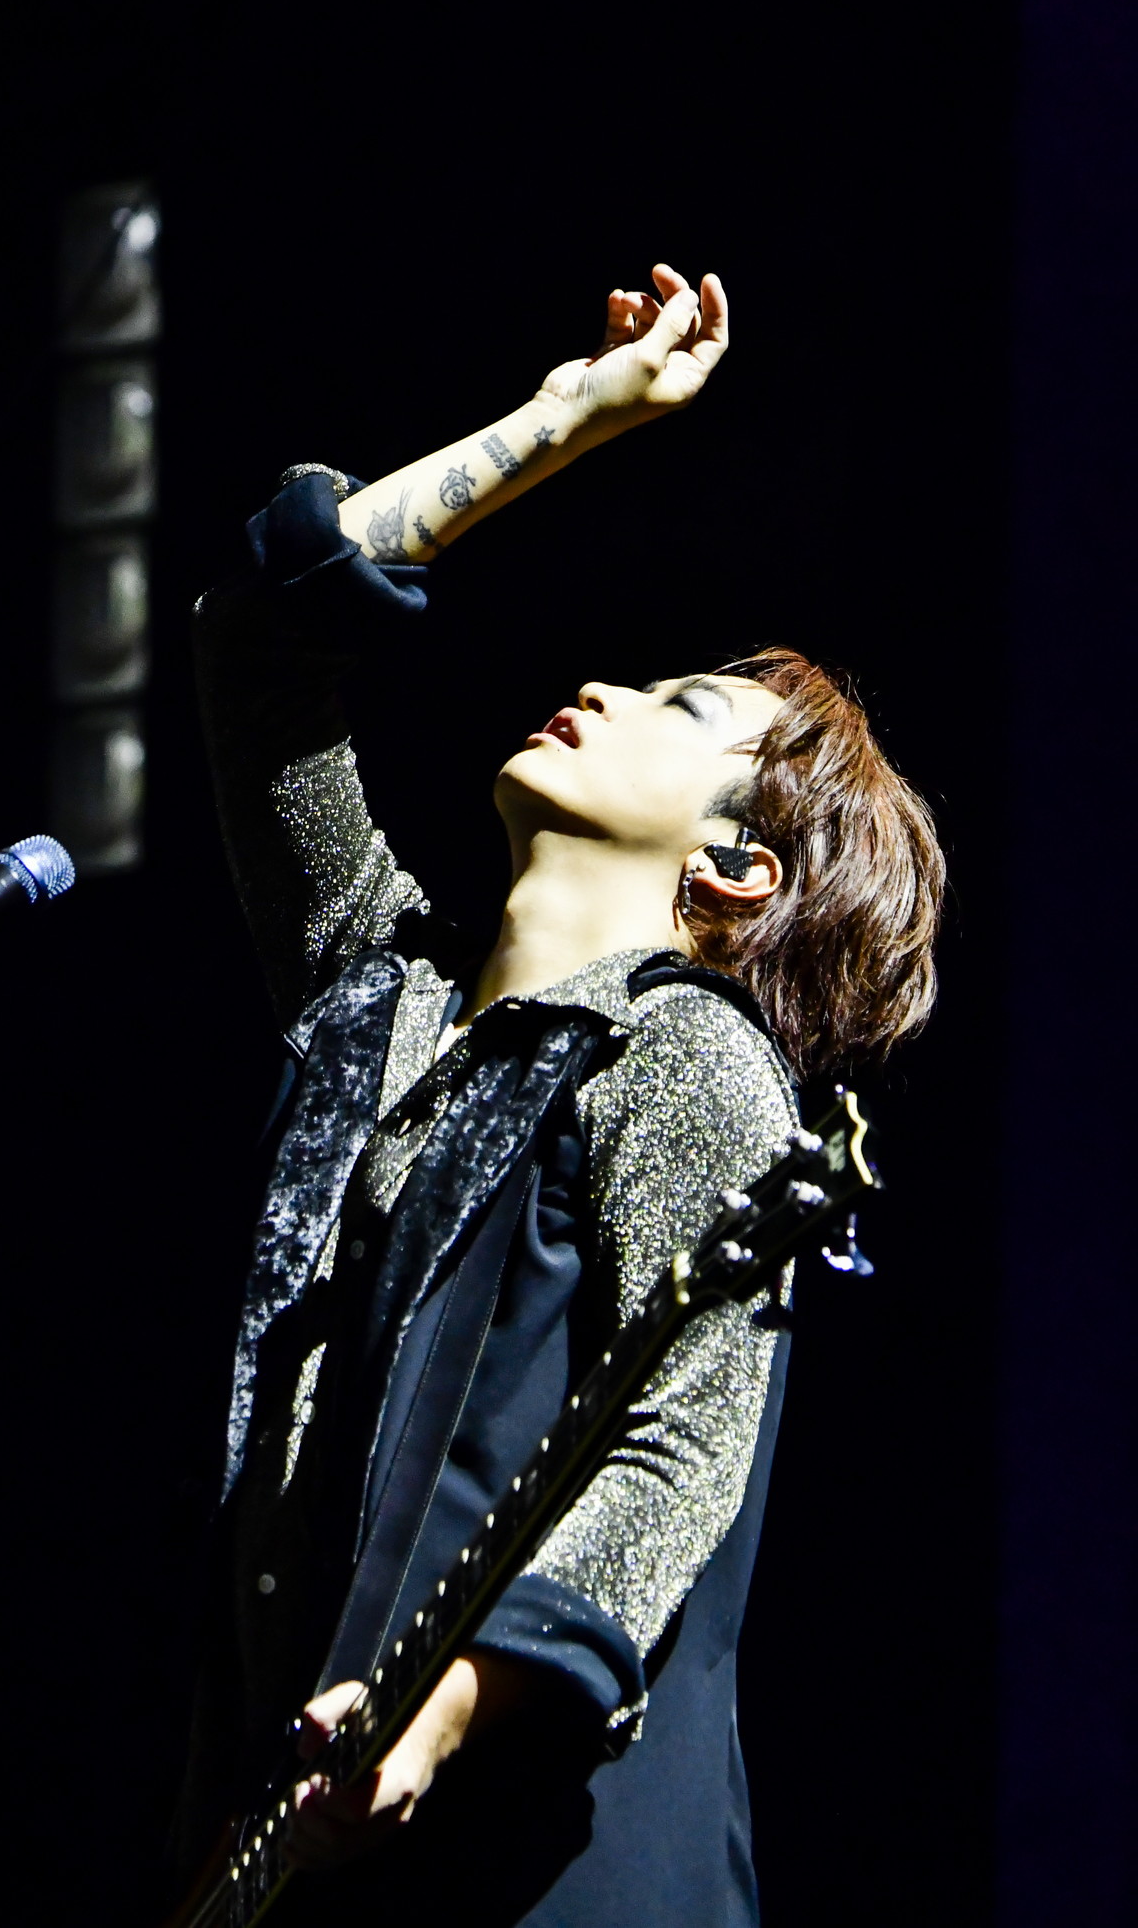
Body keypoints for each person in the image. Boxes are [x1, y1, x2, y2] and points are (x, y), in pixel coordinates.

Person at [177, 260, 944, 1926]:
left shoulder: (690, 1056)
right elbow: (260, 635)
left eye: (683, 710)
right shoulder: (380, 997)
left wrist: (441, 1708)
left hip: (550, 1872)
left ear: (739, 869)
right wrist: (561, 423)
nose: (608, 687)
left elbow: (678, 1456)